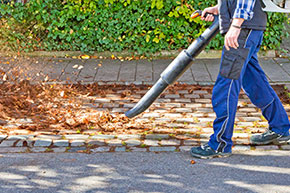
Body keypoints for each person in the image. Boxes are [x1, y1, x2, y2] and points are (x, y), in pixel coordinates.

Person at [190, 0, 290, 159]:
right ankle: (280, 128)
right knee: (255, 83)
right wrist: (219, 9)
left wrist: (236, 25)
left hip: (244, 28)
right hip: (250, 27)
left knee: (226, 84)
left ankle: (220, 143)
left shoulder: (239, 25)